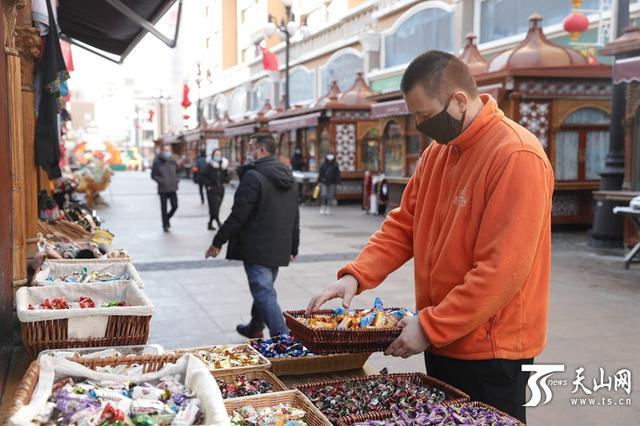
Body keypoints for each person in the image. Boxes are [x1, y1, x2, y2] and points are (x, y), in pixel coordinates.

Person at [306, 51, 553, 423]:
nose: (421, 125)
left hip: (492, 349)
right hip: (442, 333)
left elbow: (502, 270)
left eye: (424, 115)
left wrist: (432, 325)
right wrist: (356, 275)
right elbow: (405, 223)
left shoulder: (515, 155)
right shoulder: (438, 153)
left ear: (457, 100)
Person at [205, 134, 300, 338]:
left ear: (262, 150)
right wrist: (293, 245)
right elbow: (295, 215)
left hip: (257, 246)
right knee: (264, 289)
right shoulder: (288, 176)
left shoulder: (253, 176)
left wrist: (217, 241)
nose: (250, 153)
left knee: (264, 291)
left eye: (251, 148)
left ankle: (282, 337)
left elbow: (239, 214)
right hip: (279, 245)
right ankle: (255, 326)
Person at [151, 145, 180, 232]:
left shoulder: (173, 161)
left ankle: (166, 218)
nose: (168, 152)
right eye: (166, 150)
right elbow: (153, 175)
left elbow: (178, 172)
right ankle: (165, 225)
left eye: (169, 150)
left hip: (173, 188)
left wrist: (176, 180)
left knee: (175, 206)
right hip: (163, 189)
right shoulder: (157, 162)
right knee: (164, 208)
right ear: (163, 151)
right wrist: (162, 181)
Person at [201, 149, 229, 230]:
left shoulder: (223, 165)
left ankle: (210, 223)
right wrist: (208, 185)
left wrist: (226, 181)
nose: (218, 156)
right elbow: (203, 176)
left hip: (221, 189)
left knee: (217, 207)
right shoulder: (209, 165)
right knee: (214, 207)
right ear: (213, 155)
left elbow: (227, 175)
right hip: (212, 189)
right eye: (216, 154)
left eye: (219, 155)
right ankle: (218, 222)